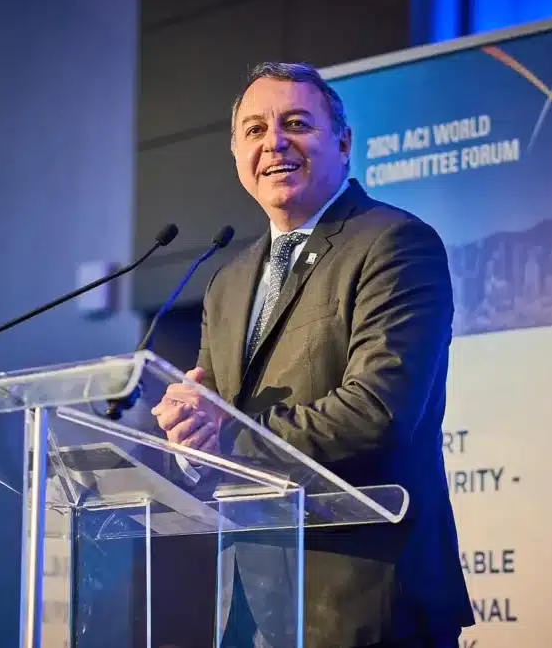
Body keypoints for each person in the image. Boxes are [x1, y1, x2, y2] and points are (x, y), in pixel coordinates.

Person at [150, 62, 474, 648]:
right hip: (250, 608)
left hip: (368, 598)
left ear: (343, 143)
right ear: (237, 155)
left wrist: (225, 432)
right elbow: (212, 429)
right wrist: (188, 436)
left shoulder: (394, 243)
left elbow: (377, 412)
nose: (274, 142)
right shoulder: (227, 281)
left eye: (296, 123)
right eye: (254, 130)